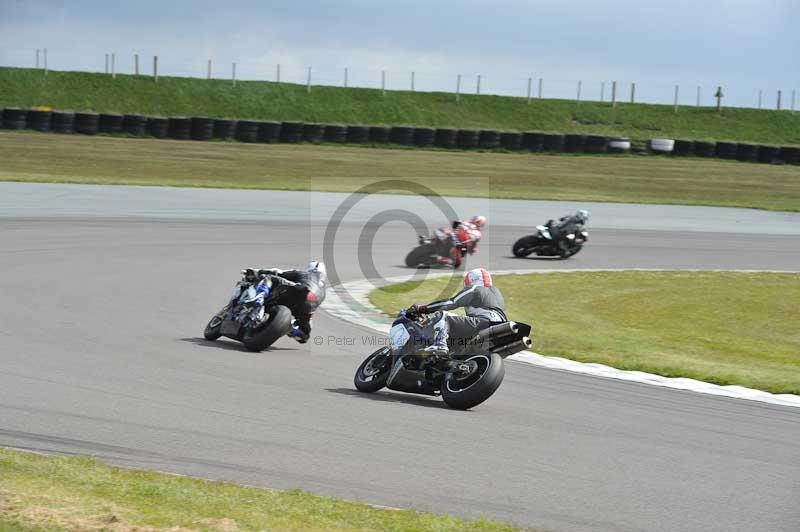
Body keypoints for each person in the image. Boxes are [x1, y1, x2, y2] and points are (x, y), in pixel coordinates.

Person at [404, 267, 506, 357]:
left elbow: (451, 302)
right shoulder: (497, 293)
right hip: (501, 326)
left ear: (472, 280)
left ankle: (440, 344)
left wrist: (423, 309)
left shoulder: (475, 288)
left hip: (483, 322)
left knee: (443, 316)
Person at [256, 261, 327, 344]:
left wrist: (258, 271)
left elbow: (278, 272)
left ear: (310, 269)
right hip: (308, 306)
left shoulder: (305, 274)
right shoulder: (323, 292)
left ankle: (259, 299)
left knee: (269, 277)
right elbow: (311, 312)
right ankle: (293, 331)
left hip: (299, 291)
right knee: (305, 335)